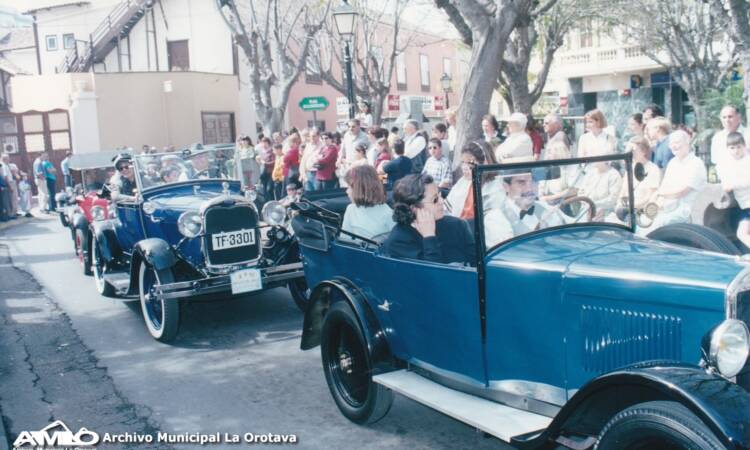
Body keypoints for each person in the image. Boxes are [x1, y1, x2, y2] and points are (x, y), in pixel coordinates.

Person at [382, 174, 476, 265]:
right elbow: (432, 276)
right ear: (414, 208)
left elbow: (476, 265)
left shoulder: (458, 225)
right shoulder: (399, 241)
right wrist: (429, 237)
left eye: (440, 195)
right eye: (435, 199)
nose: (442, 201)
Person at [642, 130, 707, 232]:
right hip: (668, 207)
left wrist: (660, 194)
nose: (674, 146)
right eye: (671, 143)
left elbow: (682, 192)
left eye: (677, 142)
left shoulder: (696, 163)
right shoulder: (673, 162)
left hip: (686, 211)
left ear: (687, 142)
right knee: (642, 221)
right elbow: (664, 186)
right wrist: (655, 199)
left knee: (657, 225)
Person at [500, 170, 563, 236]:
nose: (529, 189)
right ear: (506, 187)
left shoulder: (544, 206)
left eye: (533, 181)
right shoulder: (497, 217)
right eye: (521, 183)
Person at [716, 132, 750, 249]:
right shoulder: (731, 163)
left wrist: (733, 185)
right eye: (732, 148)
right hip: (745, 205)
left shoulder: (747, 161)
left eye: (739, 147)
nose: (736, 151)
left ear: (744, 146)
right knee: (742, 233)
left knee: (742, 233)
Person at [341, 165, 395, 239]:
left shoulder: (388, 214)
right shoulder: (351, 209)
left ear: (360, 189)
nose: (346, 191)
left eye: (349, 187)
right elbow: (344, 240)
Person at [711, 105, 750, 172]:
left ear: (738, 117)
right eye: (724, 117)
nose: (727, 120)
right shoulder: (717, 138)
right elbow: (715, 161)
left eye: (730, 116)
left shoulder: (748, 134)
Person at [337, 119, 369, 185]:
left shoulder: (365, 137)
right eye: (349, 127)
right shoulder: (346, 135)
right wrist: (339, 159)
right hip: (348, 166)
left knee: (357, 186)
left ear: (359, 126)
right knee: (347, 187)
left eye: (353, 126)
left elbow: (367, 152)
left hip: (359, 167)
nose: (350, 128)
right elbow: (342, 149)